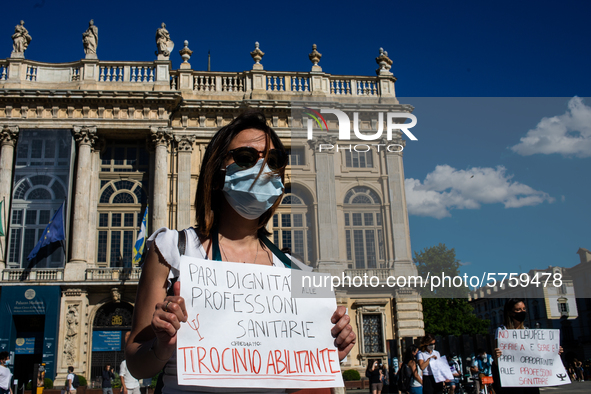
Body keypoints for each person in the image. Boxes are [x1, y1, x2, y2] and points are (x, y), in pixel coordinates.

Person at [124, 111, 356, 393]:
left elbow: (301, 382)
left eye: (273, 160)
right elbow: (136, 364)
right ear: (217, 169)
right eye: (246, 157)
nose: (262, 168)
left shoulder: (297, 272)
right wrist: (162, 346)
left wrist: (327, 354)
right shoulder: (173, 248)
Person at [493, 298, 563, 394]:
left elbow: (539, 355)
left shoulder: (527, 331)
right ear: (510, 313)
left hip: (529, 381)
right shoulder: (502, 331)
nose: (522, 312)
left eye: (524, 309)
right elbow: (498, 363)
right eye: (518, 310)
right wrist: (497, 356)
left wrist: (554, 352)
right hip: (512, 381)